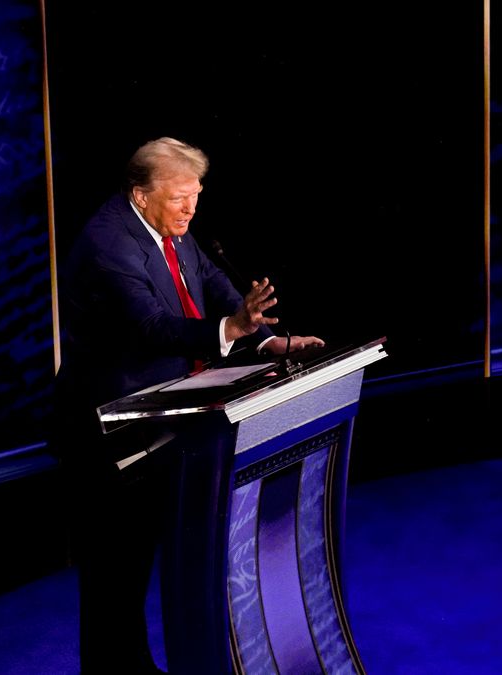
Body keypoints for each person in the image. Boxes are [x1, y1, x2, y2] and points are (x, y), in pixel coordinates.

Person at [51, 137, 323, 673]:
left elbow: (213, 284)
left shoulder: (167, 226)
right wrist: (229, 329)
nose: (191, 209)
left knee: (134, 563)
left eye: (196, 195)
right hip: (109, 432)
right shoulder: (109, 243)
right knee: (114, 572)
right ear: (141, 194)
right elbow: (151, 327)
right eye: (180, 198)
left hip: (160, 420)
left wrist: (266, 339)